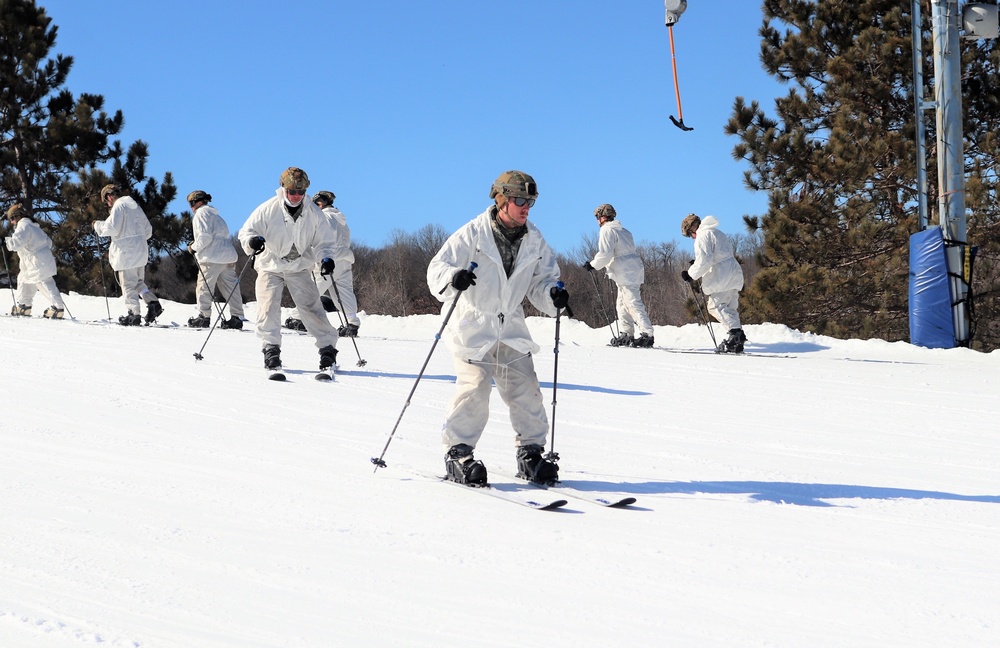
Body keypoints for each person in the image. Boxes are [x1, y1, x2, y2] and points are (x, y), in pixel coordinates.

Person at [426, 170, 569, 486]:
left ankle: (531, 453)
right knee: (475, 387)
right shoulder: (472, 234)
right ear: (502, 199)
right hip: (472, 323)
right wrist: (454, 278)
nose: (526, 207)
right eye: (520, 199)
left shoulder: (534, 239)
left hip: (511, 323)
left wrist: (551, 294)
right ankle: (458, 453)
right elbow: (437, 269)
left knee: (526, 388)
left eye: (530, 201)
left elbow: (542, 280)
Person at [238, 167, 341, 372]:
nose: (295, 196)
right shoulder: (268, 208)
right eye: (292, 192)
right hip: (271, 265)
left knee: (311, 307)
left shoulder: (313, 212)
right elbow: (246, 232)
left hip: (299, 266)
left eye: (300, 193)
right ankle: (271, 349)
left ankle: (327, 349)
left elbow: (324, 242)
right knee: (268, 308)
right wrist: (252, 241)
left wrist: (326, 258)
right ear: (283, 189)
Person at [284, 190, 361, 337]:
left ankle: (297, 317)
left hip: (329, 259)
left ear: (321, 204)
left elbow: (321, 238)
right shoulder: (340, 219)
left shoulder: (325, 217)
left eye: (316, 204)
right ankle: (352, 322)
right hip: (344, 259)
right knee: (344, 292)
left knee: (311, 288)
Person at [583, 203, 655, 348]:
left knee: (632, 302)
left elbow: (605, 253)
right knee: (622, 303)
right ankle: (626, 333)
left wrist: (592, 265)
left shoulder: (606, 231)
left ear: (603, 217)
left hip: (626, 271)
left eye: (597, 217)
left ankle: (648, 334)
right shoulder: (624, 231)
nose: (597, 221)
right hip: (631, 269)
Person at [93, 184, 163, 326]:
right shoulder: (135, 206)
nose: (108, 204)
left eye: (106, 201)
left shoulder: (118, 206)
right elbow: (148, 231)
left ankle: (133, 314)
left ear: (109, 196)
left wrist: (97, 225)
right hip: (140, 250)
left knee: (128, 285)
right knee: (138, 282)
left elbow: (112, 228)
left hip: (126, 252)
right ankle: (153, 302)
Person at [680, 213, 746, 353]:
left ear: (693, 228)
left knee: (715, 306)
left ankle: (735, 334)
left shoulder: (702, 236)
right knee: (730, 308)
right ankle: (737, 340)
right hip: (733, 272)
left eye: (690, 234)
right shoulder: (716, 232)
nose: (692, 237)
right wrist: (696, 264)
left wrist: (690, 274)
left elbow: (705, 260)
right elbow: (714, 255)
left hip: (721, 275)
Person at [185, 190, 245, 329]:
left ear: (198, 202)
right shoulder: (216, 216)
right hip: (228, 256)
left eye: (192, 203)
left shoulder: (200, 214)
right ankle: (236, 317)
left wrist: (193, 248)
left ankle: (203, 316)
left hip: (211, 256)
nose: (191, 207)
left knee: (204, 287)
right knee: (231, 288)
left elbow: (204, 237)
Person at [3, 204, 67, 319]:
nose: (12, 222)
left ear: (18, 216)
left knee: (44, 282)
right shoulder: (33, 226)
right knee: (24, 279)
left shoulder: (23, 225)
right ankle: (24, 305)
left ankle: (58, 307)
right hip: (36, 260)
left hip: (37, 261)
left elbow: (16, 244)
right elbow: (49, 242)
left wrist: (5, 242)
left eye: (12, 218)